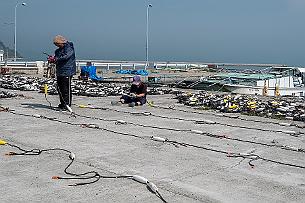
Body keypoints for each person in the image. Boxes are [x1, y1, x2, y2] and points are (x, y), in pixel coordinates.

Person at [48, 35, 76, 109]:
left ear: (61, 42)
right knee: (60, 88)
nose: (56, 45)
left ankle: (67, 104)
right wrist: (52, 59)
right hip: (60, 71)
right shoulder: (58, 51)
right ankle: (63, 103)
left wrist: (55, 59)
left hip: (67, 70)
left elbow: (66, 56)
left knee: (66, 88)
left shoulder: (69, 48)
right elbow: (58, 59)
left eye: (57, 44)